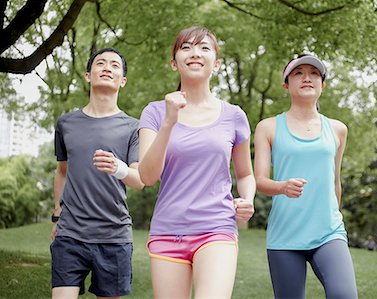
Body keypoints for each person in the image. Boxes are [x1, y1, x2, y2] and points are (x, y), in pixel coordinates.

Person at [138, 26, 256, 299]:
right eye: (186, 47)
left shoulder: (234, 116)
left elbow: (245, 174)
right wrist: (169, 121)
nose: (195, 53)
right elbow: (147, 175)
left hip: (216, 228)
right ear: (174, 62)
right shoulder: (154, 113)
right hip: (168, 230)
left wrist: (247, 198)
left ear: (216, 63)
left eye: (204, 47)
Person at [254, 54, 358, 299]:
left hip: (328, 233)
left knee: (345, 296)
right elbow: (259, 181)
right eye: (298, 73)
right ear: (286, 84)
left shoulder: (337, 129)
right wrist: (282, 187)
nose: (307, 78)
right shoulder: (267, 127)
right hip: (285, 236)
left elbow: (335, 181)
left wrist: (332, 218)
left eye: (314, 73)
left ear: (323, 85)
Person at [51, 47, 144, 299]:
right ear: (88, 75)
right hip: (70, 234)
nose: (107, 67)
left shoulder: (134, 127)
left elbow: (139, 180)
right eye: (100, 63)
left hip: (114, 236)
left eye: (115, 65)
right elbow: (62, 172)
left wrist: (118, 167)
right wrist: (57, 215)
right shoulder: (66, 123)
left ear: (122, 81)